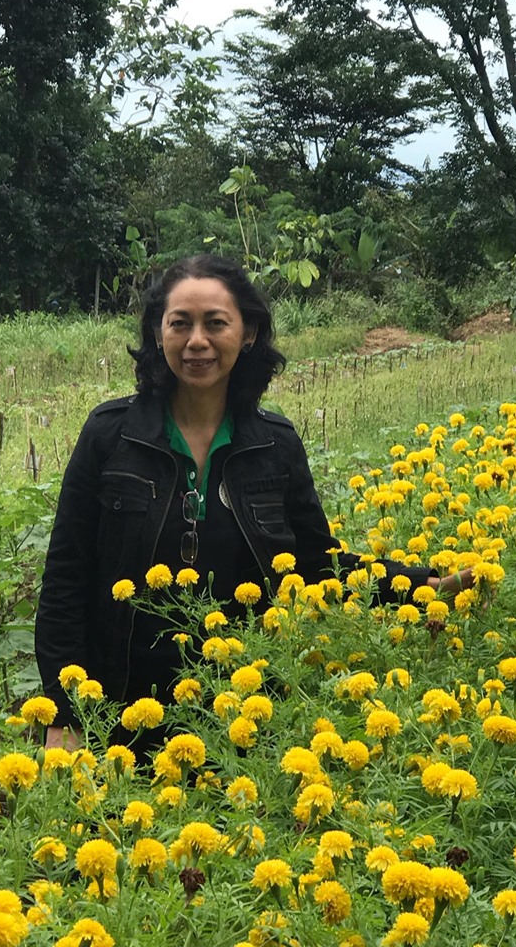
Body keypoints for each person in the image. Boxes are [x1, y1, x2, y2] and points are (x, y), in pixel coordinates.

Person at [35, 255, 473, 750]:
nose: (196, 341)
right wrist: (64, 713)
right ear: (159, 334)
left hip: (243, 717)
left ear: (247, 334)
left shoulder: (274, 445)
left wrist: (418, 584)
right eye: (180, 323)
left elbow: (316, 568)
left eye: (215, 323)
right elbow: (66, 579)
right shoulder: (111, 436)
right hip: (118, 715)